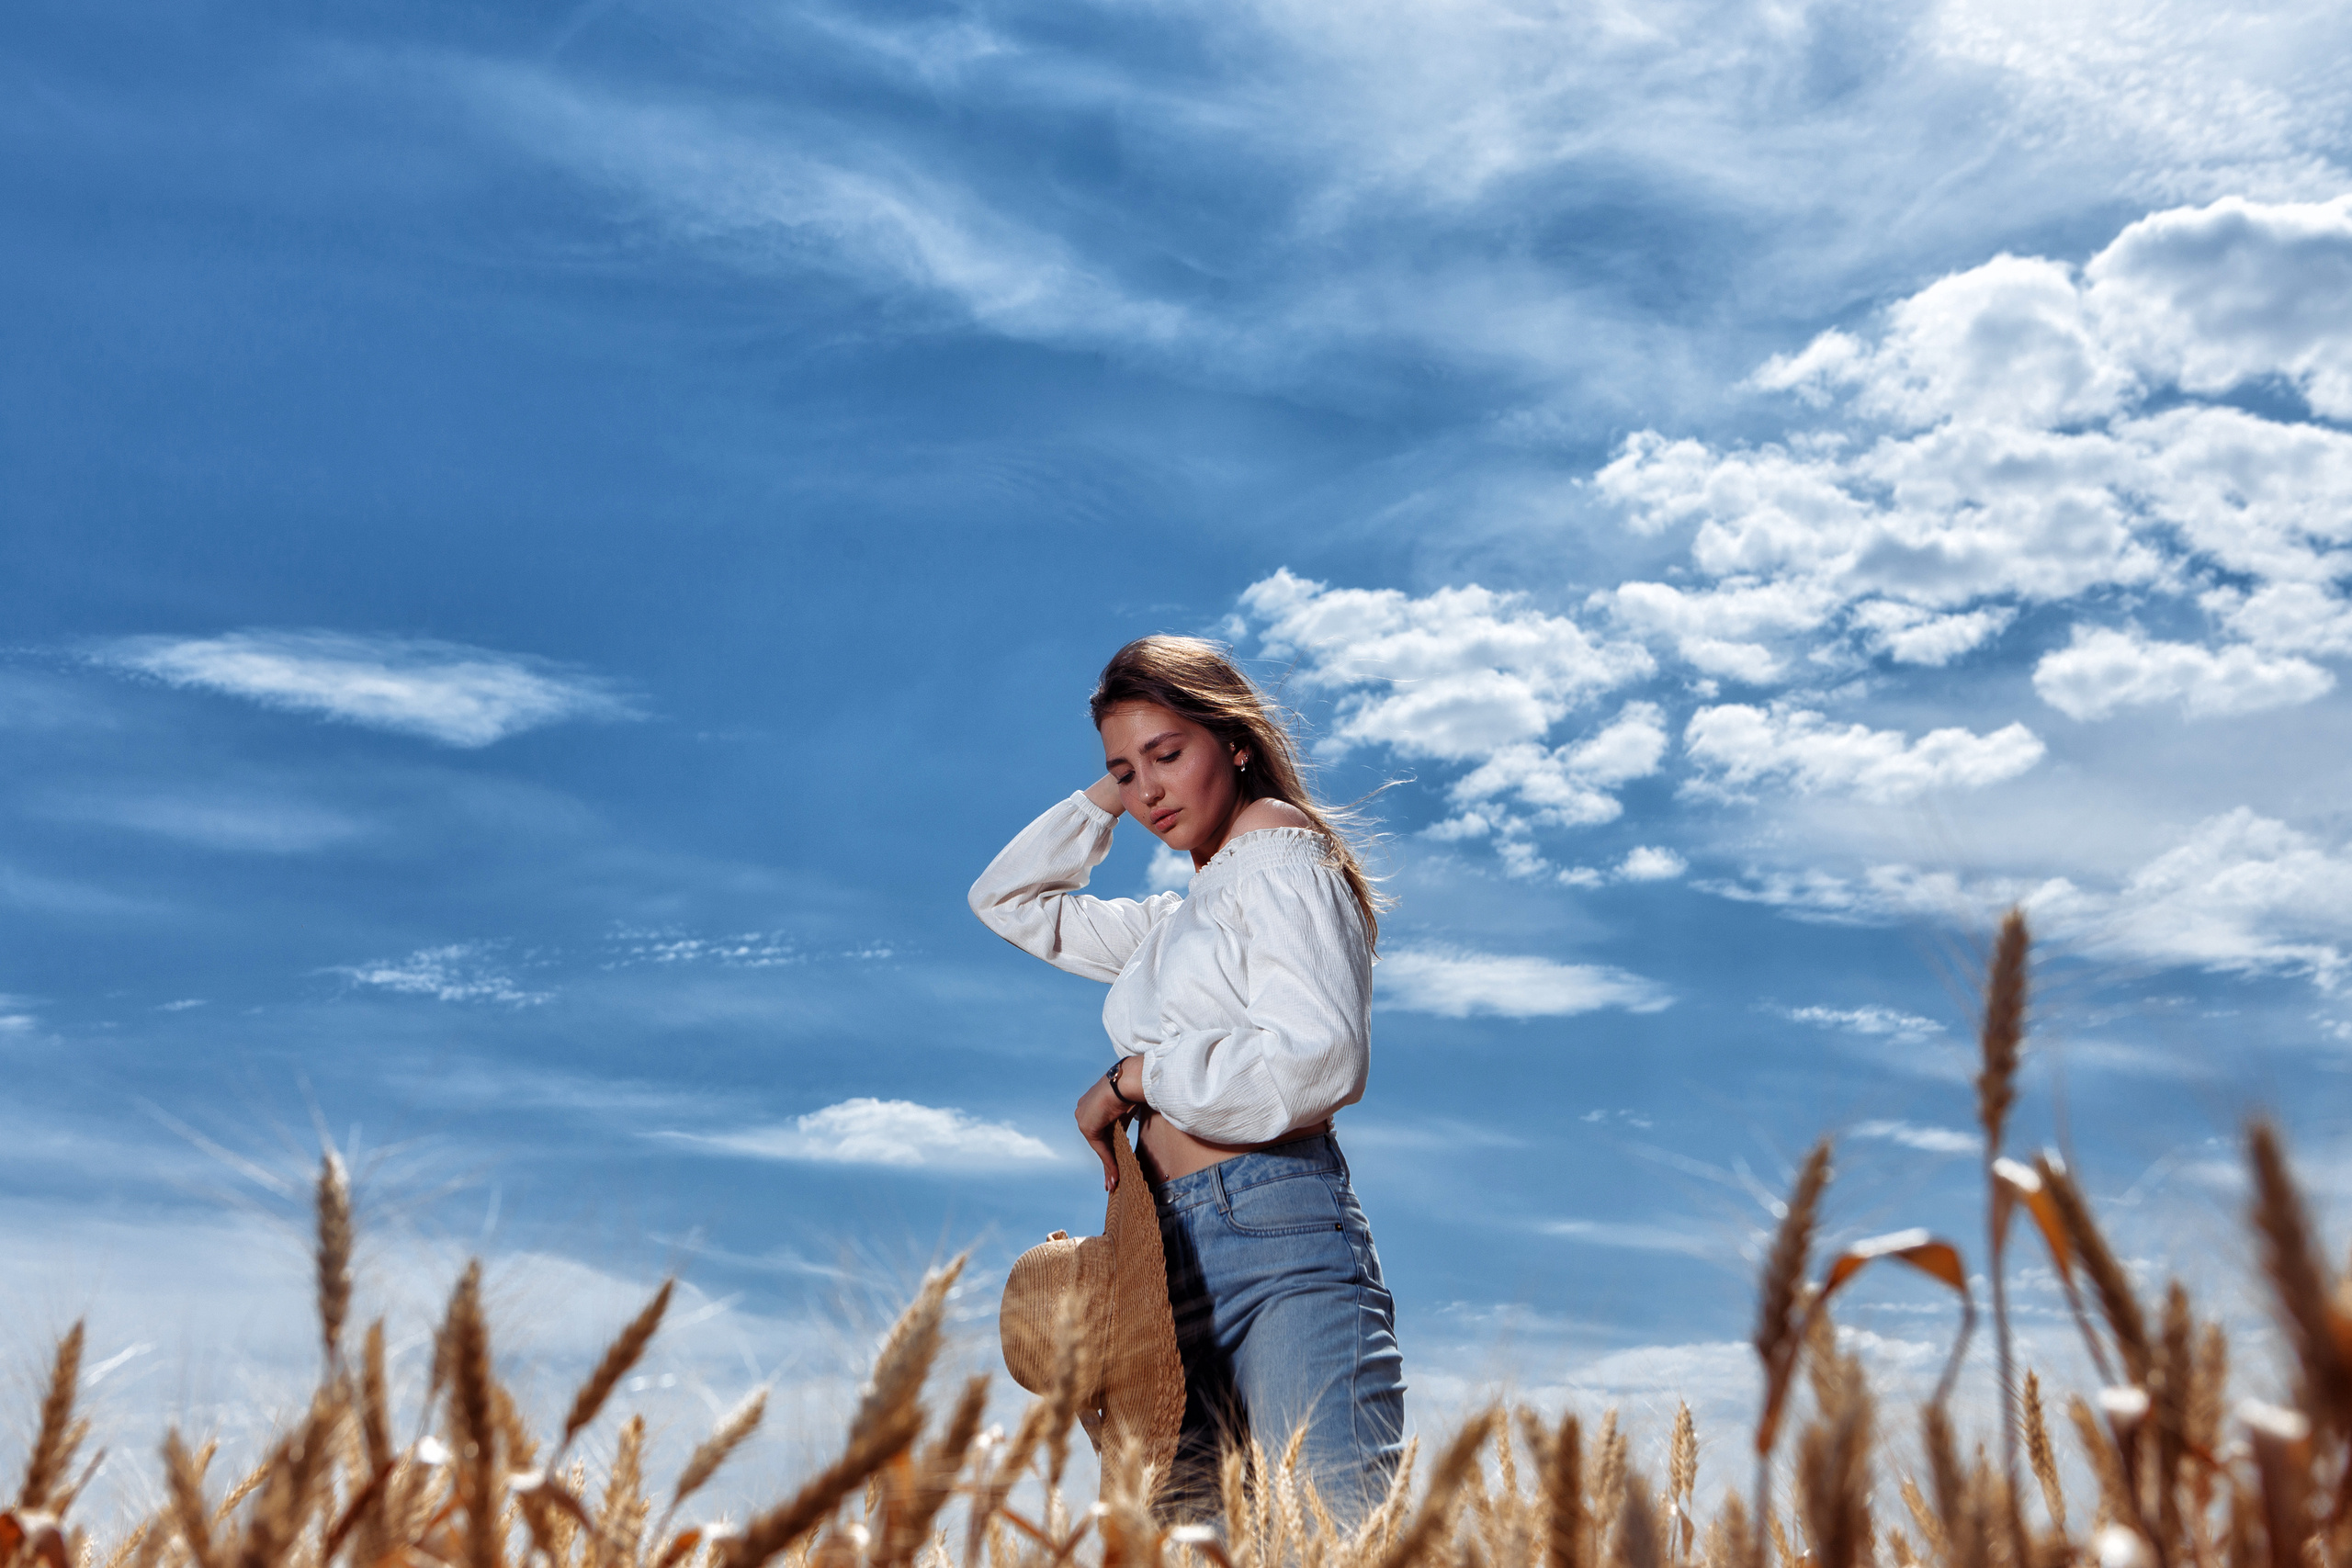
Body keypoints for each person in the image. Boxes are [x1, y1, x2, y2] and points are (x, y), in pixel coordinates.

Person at [968, 635, 1408, 1522]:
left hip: (1276, 1233)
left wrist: (1138, 1078)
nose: (1149, 793)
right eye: (1126, 773)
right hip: (1157, 1260)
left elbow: (1320, 1060)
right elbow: (1010, 901)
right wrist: (1109, 790)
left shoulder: (1281, 854)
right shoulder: (1178, 922)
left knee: (1321, 1538)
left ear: (1235, 740)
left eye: (1168, 755)